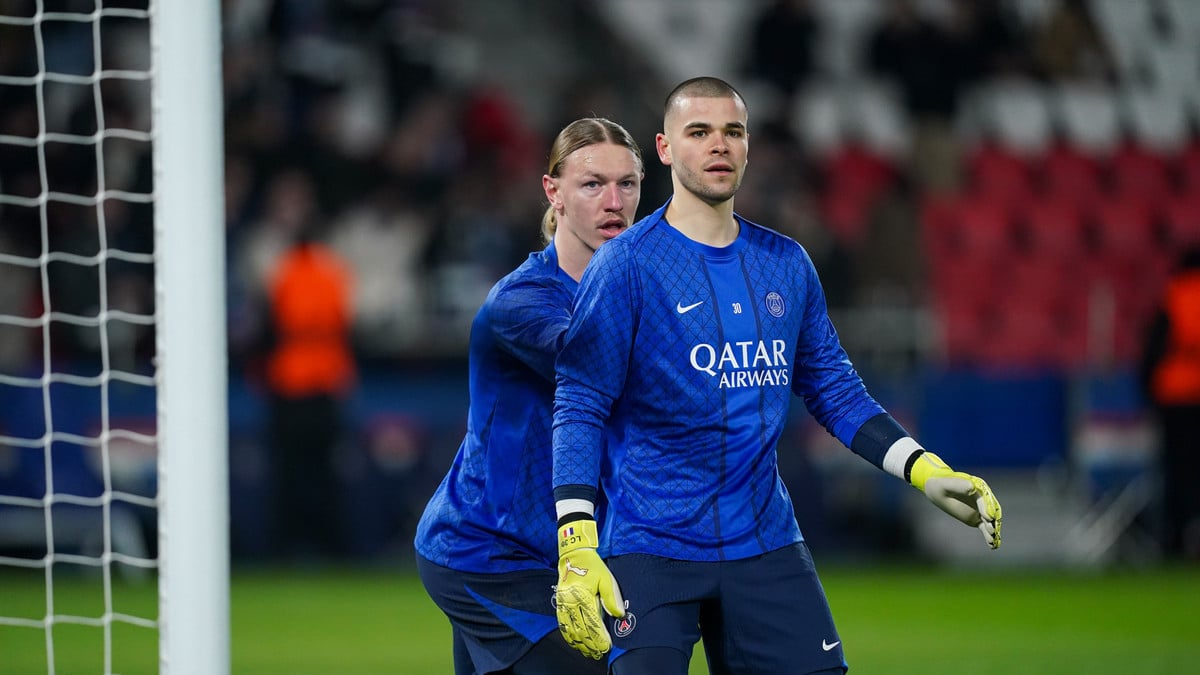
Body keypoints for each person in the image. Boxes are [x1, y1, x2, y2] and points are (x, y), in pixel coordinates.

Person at [550, 77, 1002, 674]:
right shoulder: (625, 265)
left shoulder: (787, 264)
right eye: (699, 132)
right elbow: (580, 404)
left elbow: (836, 392)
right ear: (664, 148)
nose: (719, 145)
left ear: (747, 146)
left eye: (732, 132)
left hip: (764, 541)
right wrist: (576, 539)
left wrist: (926, 470)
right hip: (650, 546)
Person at [414, 117, 644, 674]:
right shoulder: (523, 300)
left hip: (560, 555)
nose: (614, 202)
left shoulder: (638, 294)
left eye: (628, 184)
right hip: (488, 553)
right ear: (553, 192)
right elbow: (601, 367)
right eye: (592, 184)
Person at [262, 223, 356, 561]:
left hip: (290, 382)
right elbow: (345, 321)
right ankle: (331, 545)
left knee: (288, 471)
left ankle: (284, 546)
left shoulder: (284, 270)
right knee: (325, 470)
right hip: (325, 381)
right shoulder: (333, 271)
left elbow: (272, 322)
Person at [1139, 246, 1200, 561]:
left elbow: (1155, 349)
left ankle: (1174, 541)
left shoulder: (1175, 295)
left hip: (1175, 398)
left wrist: (1148, 392)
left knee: (1176, 472)